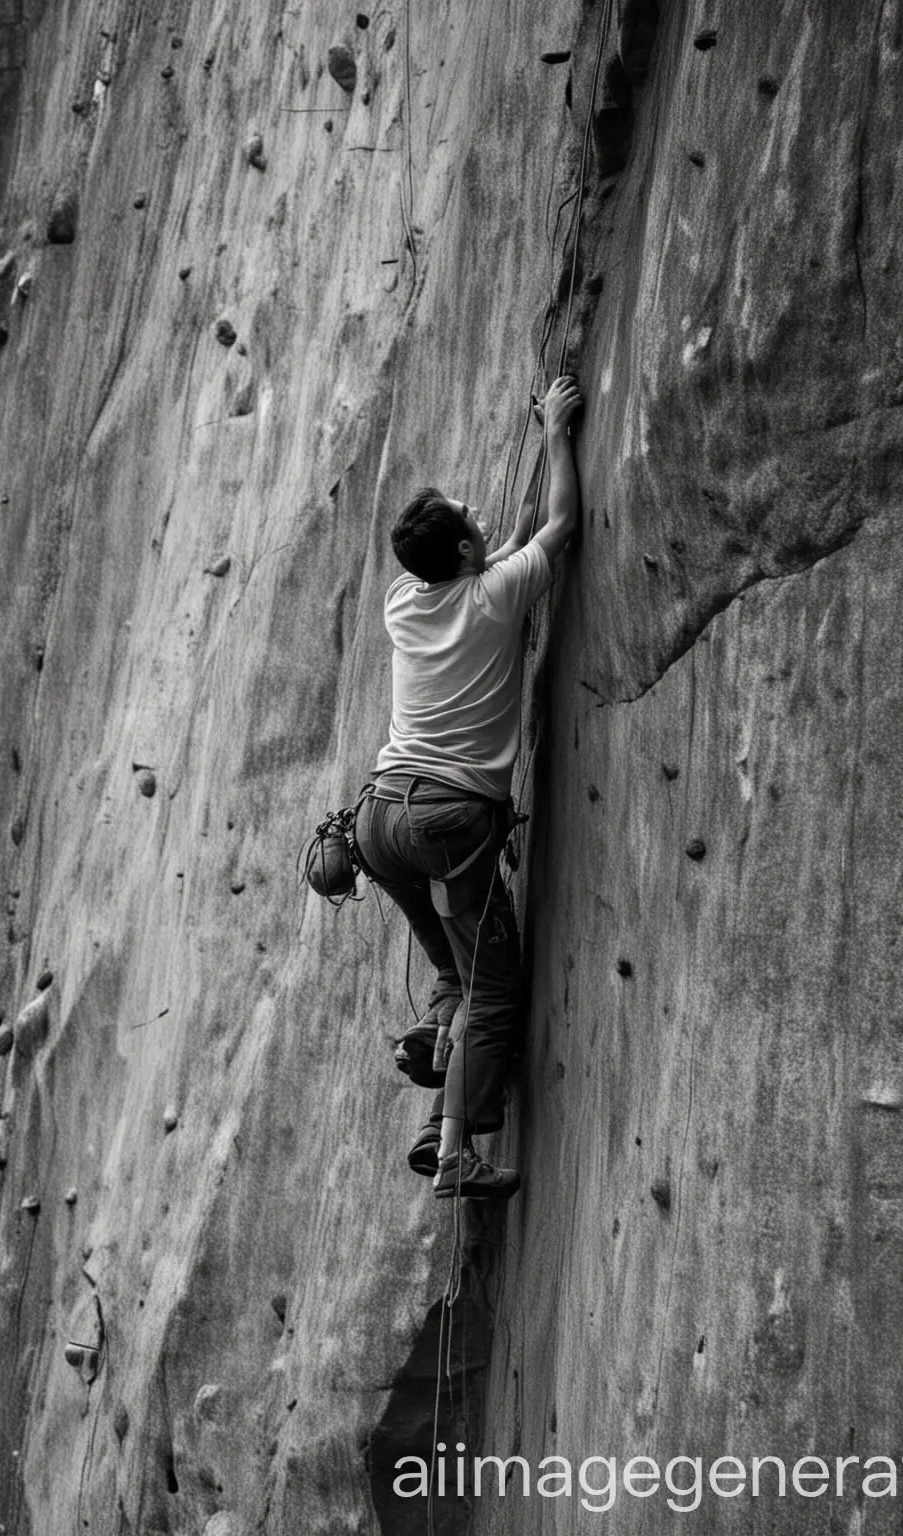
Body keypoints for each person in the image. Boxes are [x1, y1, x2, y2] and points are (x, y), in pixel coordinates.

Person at [354, 374, 583, 1199]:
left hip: (380, 824)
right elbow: (556, 528)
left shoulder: (403, 603)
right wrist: (556, 431)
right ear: (461, 555)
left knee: (457, 968)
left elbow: (498, 556)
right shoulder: (492, 597)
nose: (479, 516)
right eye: (467, 518)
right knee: (494, 985)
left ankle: (437, 1033)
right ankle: (454, 1153)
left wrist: (484, 540)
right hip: (448, 823)